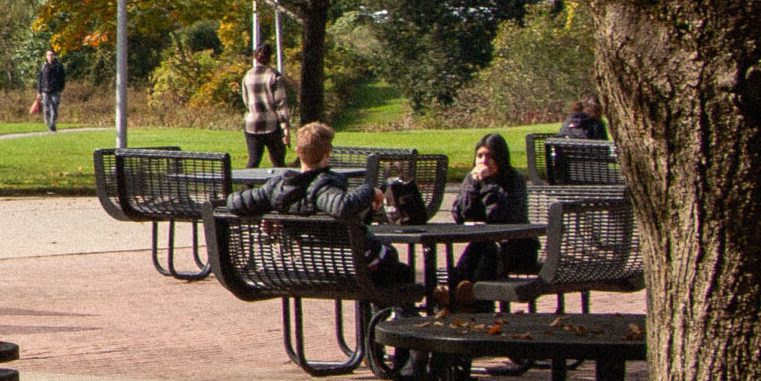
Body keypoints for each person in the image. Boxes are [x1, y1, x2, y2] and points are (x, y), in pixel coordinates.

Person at [224, 121, 413, 287]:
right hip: (347, 267)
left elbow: (234, 202)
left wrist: (273, 207)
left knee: (390, 269)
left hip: (302, 268)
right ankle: (393, 322)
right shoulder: (324, 185)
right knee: (396, 268)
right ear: (328, 153)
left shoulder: (277, 187)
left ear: (298, 152)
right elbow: (342, 206)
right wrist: (370, 190)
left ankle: (381, 321)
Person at [438, 132, 541, 308]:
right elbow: (460, 214)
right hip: (487, 244)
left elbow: (500, 216)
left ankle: (460, 298)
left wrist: (487, 185)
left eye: (489, 156)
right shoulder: (472, 179)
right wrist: (471, 186)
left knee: (486, 252)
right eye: (480, 156)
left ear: (500, 158)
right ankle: (460, 296)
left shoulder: (514, 180)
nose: (483, 161)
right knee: (482, 248)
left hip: (518, 246)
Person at [239, 48, 292, 168]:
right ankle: (279, 186)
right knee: (278, 162)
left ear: (255, 57)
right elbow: (280, 103)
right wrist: (285, 128)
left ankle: (248, 185)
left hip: (252, 124)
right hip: (271, 124)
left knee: (253, 161)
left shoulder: (247, 76)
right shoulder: (274, 76)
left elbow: (246, 100)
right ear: (270, 57)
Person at [35, 49, 66, 132]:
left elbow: (62, 78)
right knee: (46, 109)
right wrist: (39, 91)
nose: (50, 56)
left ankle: (52, 123)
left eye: (51, 54)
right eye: (48, 55)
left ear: (54, 56)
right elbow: (40, 79)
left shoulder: (59, 66)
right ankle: (49, 125)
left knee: (54, 109)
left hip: (55, 91)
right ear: (46, 56)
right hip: (45, 90)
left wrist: (61, 88)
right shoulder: (44, 66)